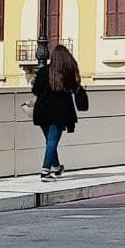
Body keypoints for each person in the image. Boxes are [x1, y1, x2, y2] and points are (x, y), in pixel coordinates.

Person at [31, 44, 82, 183]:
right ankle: (45, 171)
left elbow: (35, 90)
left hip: (41, 111)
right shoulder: (67, 75)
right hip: (59, 112)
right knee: (52, 141)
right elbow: (75, 89)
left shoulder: (43, 72)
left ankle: (56, 167)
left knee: (50, 141)